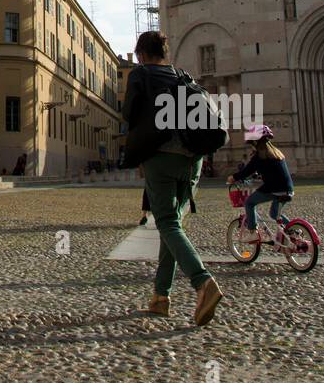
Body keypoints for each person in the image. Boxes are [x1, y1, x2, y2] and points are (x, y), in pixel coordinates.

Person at [121, 30, 223, 327]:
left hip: (161, 157)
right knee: (171, 224)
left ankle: (203, 283)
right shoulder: (184, 76)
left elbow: (129, 114)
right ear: (165, 53)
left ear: (140, 54)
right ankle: (160, 297)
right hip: (193, 160)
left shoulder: (140, 75)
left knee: (165, 222)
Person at [228, 125, 294, 239]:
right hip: (288, 189)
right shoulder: (277, 153)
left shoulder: (259, 157)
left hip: (274, 189)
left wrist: (233, 177)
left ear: (255, 142)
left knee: (249, 202)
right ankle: (293, 231)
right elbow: (269, 171)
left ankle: (253, 233)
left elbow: (246, 171)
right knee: (274, 214)